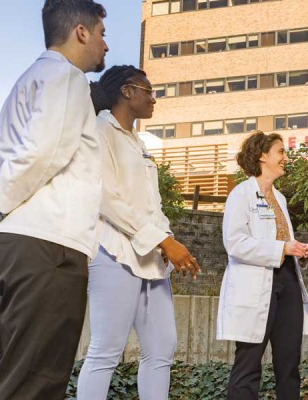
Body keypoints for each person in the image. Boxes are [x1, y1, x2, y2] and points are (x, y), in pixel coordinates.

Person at [0, 1, 108, 398]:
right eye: (102, 34)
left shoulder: (30, 81)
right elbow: (42, 154)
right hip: (47, 246)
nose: (105, 45)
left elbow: (15, 161)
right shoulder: (66, 77)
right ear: (81, 32)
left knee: (19, 378)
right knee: (33, 384)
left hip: (25, 245)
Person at [75, 65, 200, 399]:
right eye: (149, 91)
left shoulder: (138, 142)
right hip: (113, 252)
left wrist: (166, 240)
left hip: (152, 259)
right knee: (106, 350)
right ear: (127, 91)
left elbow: (151, 204)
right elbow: (105, 198)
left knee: (161, 349)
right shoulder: (98, 131)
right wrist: (162, 240)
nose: (154, 99)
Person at [218, 131, 308, 400]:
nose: (286, 158)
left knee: (289, 363)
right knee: (248, 363)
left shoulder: (280, 198)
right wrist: (282, 248)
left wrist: (299, 251)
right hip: (255, 284)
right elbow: (235, 243)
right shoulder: (241, 194)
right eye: (281, 152)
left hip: (287, 280)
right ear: (263, 156)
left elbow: (283, 239)